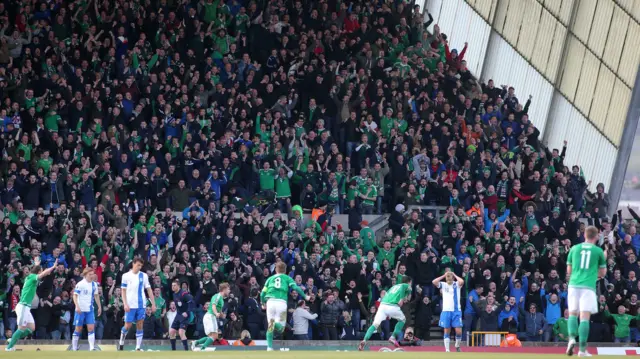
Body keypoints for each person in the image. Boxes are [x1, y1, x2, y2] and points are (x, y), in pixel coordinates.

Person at [566, 226, 606, 357]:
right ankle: (582, 350)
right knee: (584, 317)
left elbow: (569, 271)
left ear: (584, 235)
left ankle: (571, 338)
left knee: (572, 314)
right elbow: (602, 273)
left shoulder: (574, 248)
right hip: (587, 286)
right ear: (596, 236)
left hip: (573, 285)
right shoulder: (598, 251)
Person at [5, 258, 57, 351]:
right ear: (38, 271)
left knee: (31, 328)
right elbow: (43, 274)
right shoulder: (33, 277)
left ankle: (13, 339)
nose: (41, 272)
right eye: (40, 271)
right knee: (21, 328)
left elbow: (38, 272)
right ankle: (9, 348)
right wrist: (53, 267)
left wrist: (36, 264)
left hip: (27, 307)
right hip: (23, 306)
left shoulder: (30, 276)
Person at [260, 261, 309, 351]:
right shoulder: (287, 278)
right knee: (281, 328)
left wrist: (263, 303)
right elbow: (296, 288)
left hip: (270, 302)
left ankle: (269, 347)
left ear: (275, 269)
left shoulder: (269, 279)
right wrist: (305, 296)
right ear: (285, 270)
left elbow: (262, 294)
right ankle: (274, 325)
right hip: (281, 303)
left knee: (270, 326)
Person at [359, 276, 412, 351]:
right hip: (392, 305)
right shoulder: (406, 285)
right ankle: (393, 337)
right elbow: (404, 287)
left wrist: (388, 313)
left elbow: (389, 295)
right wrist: (401, 299)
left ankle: (364, 340)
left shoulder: (394, 287)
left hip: (382, 306)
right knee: (403, 319)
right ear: (409, 282)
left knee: (375, 324)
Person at [119, 258, 156, 351]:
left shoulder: (144, 276)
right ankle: (121, 341)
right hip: (130, 305)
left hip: (141, 304)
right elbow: (123, 291)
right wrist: (125, 304)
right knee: (128, 325)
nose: (139, 267)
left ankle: (138, 347)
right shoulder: (126, 276)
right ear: (133, 263)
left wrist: (153, 304)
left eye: (141, 266)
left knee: (140, 324)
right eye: (138, 265)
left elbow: (149, 290)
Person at [433, 270, 464, 352]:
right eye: (447, 277)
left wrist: (454, 274)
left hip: (456, 310)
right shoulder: (443, 284)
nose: (448, 278)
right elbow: (434, 281)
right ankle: (447, 349)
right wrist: (444, 275)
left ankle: (457, 345)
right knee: (447, 330)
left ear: (453, 278)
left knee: (458, 331)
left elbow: (461, 281)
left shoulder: (456, 284)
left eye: (450, 277)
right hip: (446, 310)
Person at [192, 283, 230, 351]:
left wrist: (222, 315)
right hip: (210, 316)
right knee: (214, 336)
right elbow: (213, 306)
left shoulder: (221, 299)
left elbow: (219, 310)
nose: (229, 291)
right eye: (228, 289)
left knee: (212, 336)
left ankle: (196, 342)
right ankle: (202, 348)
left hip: (210, 317)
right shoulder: (217, 296)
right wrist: (216, 313)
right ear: (224, 290)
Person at [72, 268, 102, 351]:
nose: (92, 276)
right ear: (85, 275)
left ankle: (92, 348)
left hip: (90, 310)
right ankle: (74, 348)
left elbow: (96, 295)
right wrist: (77, 306)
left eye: (93, 274)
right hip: (80, 309)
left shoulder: (94, 285)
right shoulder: (80, 284)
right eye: (90, 274)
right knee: (78, 329)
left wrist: (99, 306)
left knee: (91, 328)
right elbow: (75, 295)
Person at [169, 280, 194, 351]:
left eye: (174, 285)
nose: (173, 287)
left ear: (178, 286)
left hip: (185, 315)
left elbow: (191, 302)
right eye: (172, 285)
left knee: (181, 332)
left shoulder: (184, 294)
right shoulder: (174, 294)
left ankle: (186, 351)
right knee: (171, 332)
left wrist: (187, 312)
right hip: (178, 315)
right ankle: (173, 351)